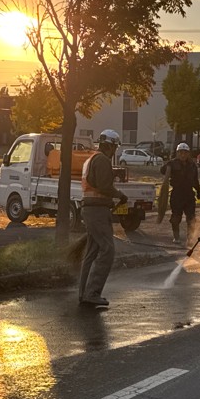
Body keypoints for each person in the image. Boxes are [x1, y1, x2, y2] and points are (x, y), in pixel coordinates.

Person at [79, 129, 127, 309]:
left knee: (91, 252)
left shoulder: (91, 159)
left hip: (91, 209)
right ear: (110, 145)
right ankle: (92, 293)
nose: (115, 150)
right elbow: (105, 186)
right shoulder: (103, 160)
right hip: (97, 211)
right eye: (114, 146)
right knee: (107, 250)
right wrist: (120, 195)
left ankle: (84, 293)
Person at [162, 142, 200, 244]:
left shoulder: (192, 165)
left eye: (185, 153)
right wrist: (168, 164)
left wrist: (198, 191)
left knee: (191, 218)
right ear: (177, 153)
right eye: (180, 153)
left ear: (188, 154)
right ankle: (176, 237)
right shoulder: (172, 164)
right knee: (176, 217)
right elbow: (162, 171)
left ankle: (190, 238)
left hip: (189, 194)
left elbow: (195, 180)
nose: (183, 155)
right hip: (177, 194)